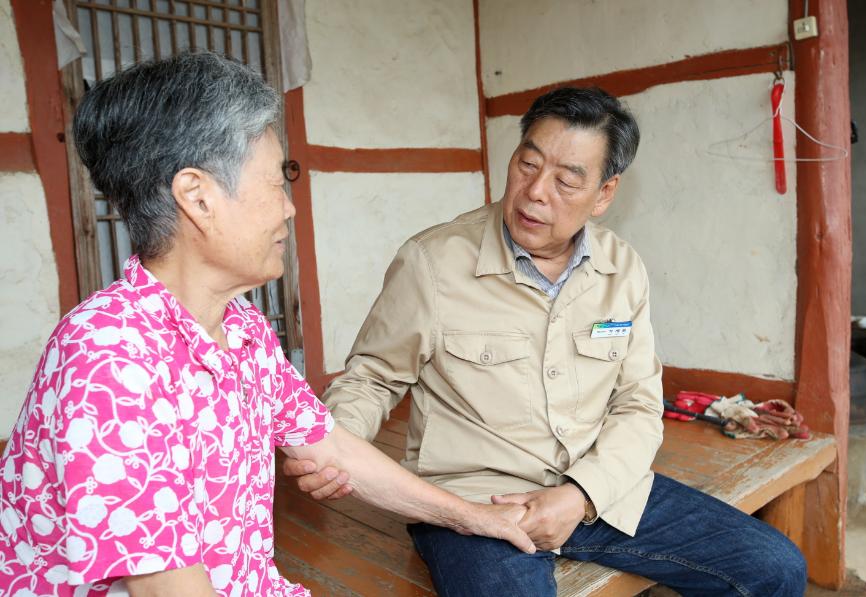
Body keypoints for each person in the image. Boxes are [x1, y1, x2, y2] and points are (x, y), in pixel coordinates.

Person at [0, 51, 534, 597]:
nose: (289, 209)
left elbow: (329, 445)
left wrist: (473, 517)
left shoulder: (242, 329)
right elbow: (167, 588)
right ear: (197, 197)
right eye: (276, 183)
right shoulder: (108, 359)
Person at [286, 87, 808, 596]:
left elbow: (638, 404)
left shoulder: (621, 270)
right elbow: (374, 376)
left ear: (605, 194)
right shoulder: (434, 262)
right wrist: (335, 449)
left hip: (598, 488)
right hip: (477, 502)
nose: (536, 192)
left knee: (774, 568)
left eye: (567, 180)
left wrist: (581, 495)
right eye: (528, 165)